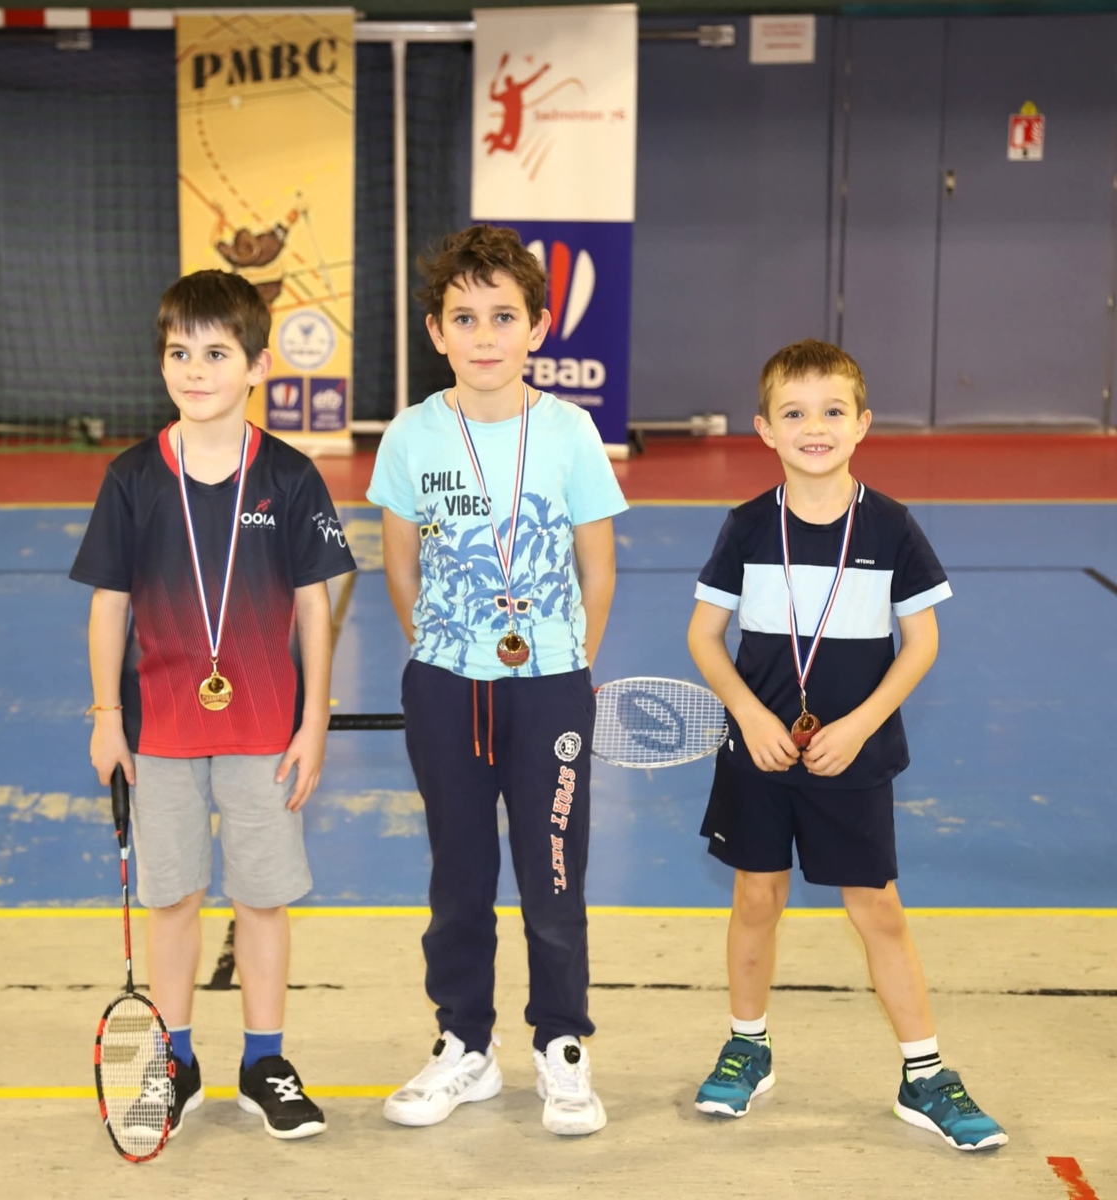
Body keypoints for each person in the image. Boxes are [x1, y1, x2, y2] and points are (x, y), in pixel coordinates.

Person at [686, 339, 1007, 1151]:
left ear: (862, 424)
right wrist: (749, 716)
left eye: (833, 411)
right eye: (794, 413)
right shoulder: (747, 526)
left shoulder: (892, 526)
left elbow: (923, 642)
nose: (815, 427)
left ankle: (924, 1074)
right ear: (765, 429)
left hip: (852, 757)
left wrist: (860, 724)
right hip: (760, 755)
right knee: (756, 898)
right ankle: (748, 1046)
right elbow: (704, 635)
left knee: (878, 909)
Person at [71, 269, 355, 1141]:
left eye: (217, 354)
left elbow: (316, 606)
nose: (196, 371)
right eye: (179, 354)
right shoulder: (131, 477)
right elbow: (109, 605)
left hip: (264, 730)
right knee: (173, 899)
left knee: (263, 899)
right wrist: (107, 718)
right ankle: (178, 1060)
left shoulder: (290, 476)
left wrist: (314, 721)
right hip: (158, 732)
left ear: (258, 365)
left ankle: (265, 1062)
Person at [367, 224, 627, 1136]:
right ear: (436, 332)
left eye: (504, 316)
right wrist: (441, 647)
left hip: (550, 685)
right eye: (465, 317)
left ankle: (561, 1043)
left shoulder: (570, 431)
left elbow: (599, 565)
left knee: (553, 878)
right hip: (446, 685)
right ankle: (465, 1045)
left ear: (537, 328)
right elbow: (399, 562)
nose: (485, 335)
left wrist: (567, 663)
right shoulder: (411, 434)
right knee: (460, 876)